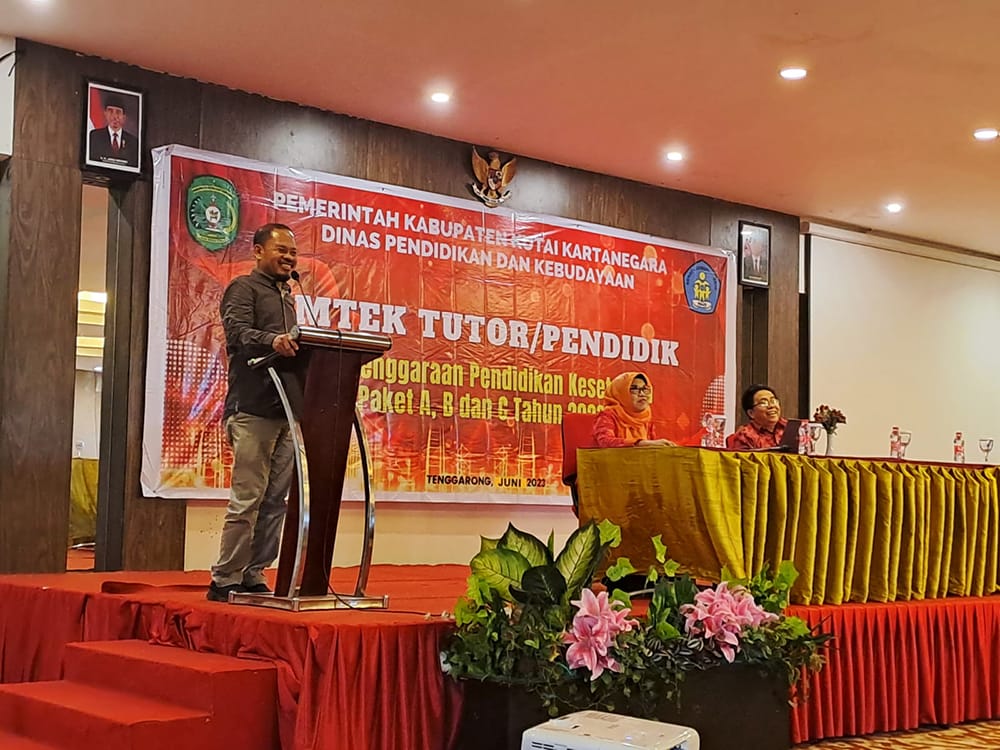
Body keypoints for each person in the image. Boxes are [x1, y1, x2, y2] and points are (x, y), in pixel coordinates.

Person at [207, 223, 305, 602]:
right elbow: (237, 334)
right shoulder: (243, 288)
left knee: (276, 501)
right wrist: (272, 341)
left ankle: (254, 572)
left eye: (292, 252)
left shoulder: (288, 298)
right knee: (248, 498)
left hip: (286, 412)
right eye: (281, 250)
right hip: (252, 409)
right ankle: (224, 578)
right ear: (259, 251)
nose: (289, 258)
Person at [593, 372, 673, 448]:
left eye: (645, 389)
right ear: (621, 392)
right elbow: (605, 442)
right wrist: (640, 443)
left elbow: (653, 448)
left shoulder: (645, 417)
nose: (642, 394)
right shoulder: (608, 415)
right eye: (634, 389)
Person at [727, 384, 787, 450]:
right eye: (763, 403)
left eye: (773, 401)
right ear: (751, 413)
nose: (771, 406)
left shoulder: (790, 428)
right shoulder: (744, 436)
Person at [87, 94, 140, 168]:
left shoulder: (134, 142)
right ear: (105, 113)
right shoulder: (94, 137)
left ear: (124, 117)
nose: (114, 116)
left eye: (118, 112)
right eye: (110, 111)